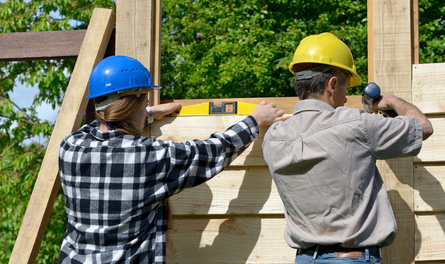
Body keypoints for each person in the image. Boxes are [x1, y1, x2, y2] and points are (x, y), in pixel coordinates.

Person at [58, 55, 286, 264]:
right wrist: (254, 121)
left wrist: (147, 113)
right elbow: (212, 151)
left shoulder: (70, 147)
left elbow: (99, 128)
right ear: (135, 103)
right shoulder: (148, 156)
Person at [262, 32, 433, 263]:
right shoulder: (356, 124)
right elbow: (423, 127)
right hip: (351, 258)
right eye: (345, 87)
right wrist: (392, 101)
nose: (345, 99)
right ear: (332, 84)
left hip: (303, 259)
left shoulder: (272, 138)